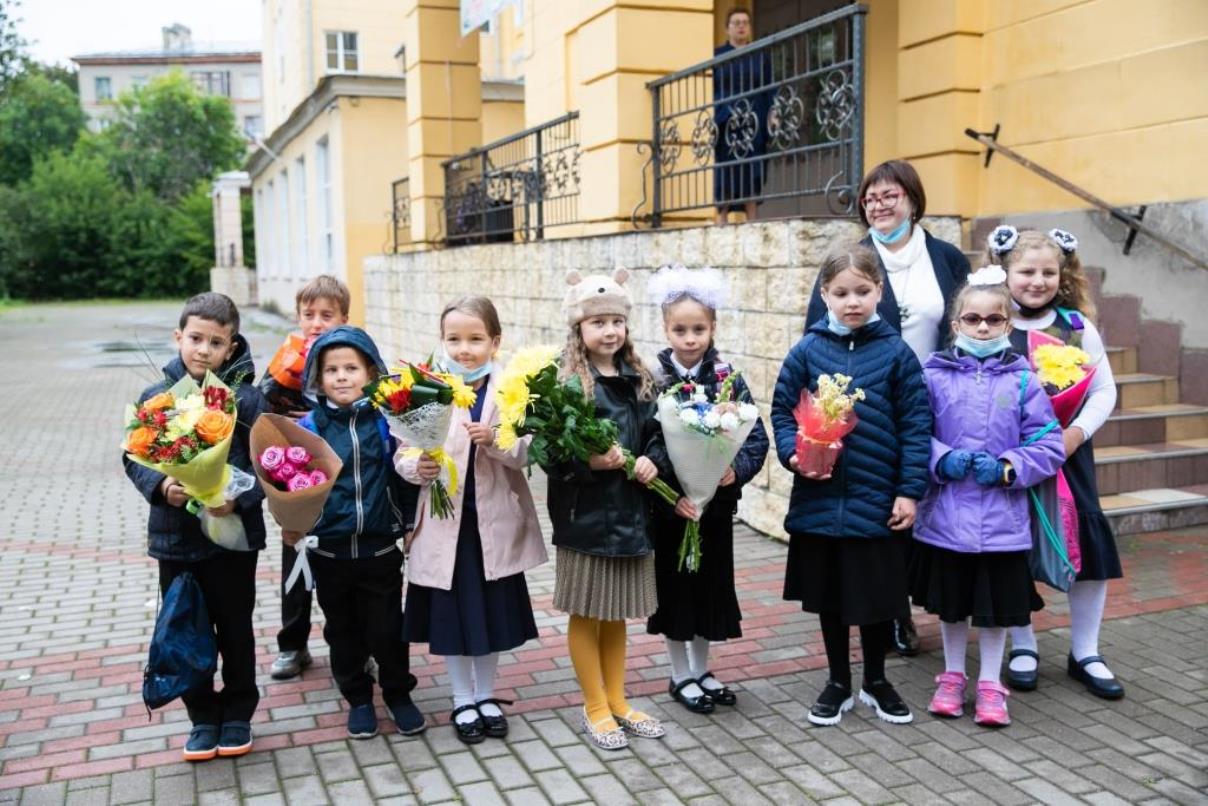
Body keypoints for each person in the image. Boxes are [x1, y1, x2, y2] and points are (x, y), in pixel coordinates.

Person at [804, 159, 971, 657]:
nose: (878, 204)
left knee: (935, 500)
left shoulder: (944, 257)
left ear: (913, 200)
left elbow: (967, 320)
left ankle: (942, 600)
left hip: (940, 398)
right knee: (888, 506)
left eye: (889, 195)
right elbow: (818, 333)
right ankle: (895, 611)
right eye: (870, 198)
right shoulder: (851, 258)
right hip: (872, 405)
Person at [771, 244, 931, 727]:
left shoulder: (897, 354)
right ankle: (838, 680)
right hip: (821, 498)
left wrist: (909, 491)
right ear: (825, 295)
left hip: (877, 500)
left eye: (862, 291)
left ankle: (877, 680)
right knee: (832, 596)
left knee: (878, 597)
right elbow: (782, 409)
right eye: (840, 293)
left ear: (879, 291)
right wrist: (794, 453)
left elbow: (916, 424)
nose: (852, 301)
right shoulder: (807, 350)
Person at [911, 268, 1065, 727]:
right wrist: (941, 460)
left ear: (1008, 324)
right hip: (947, 518)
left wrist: (1009, 466)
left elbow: (1048, 442)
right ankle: (953, 676)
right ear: (955, 324)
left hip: (1003, 523)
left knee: (995, 610)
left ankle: (991, 684)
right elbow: (914, 435)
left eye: (993, 320)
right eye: (973, 319)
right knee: (954, 604)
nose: (982, 328)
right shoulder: (932, 377)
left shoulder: (1023, 382)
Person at [123, 292, 268, 761]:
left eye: (216, 342)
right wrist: (163, 486)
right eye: (196, 338)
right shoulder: (157, 396)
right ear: (178, 337)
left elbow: (269, 463)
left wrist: (236, 498)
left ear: (231, 347)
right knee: (188, 626)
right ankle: (202, 717)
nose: (203, 350)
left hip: (232, 540)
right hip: (176, 540)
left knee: (235, 628)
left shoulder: (246, 399)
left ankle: (239, 711)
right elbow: (133, 455)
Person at [398, 296, 546, 744]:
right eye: (454, 339)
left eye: (475, 339)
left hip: (493, 525)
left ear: (495, 342)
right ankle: (462, 699)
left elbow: (526, 453)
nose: (464, 349)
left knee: (491, 619)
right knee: (453, 619)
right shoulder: (425, 387)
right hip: (447, 528)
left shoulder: (512, 389)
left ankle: (486, 695)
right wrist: (414, 468)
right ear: (442, 341)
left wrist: (497, 441)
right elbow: (403, 447)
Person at [991, 226, 1126, 699]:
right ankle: (1022, 643)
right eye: (1026, 271)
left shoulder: (1075, 326)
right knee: (1012, 547)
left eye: (1048, 271)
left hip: (1068, 456)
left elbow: (1104, 389)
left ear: (1062, 274)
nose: (1037, 280)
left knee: (1087, 550)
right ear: (1005, 272)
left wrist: (1073, 434)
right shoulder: (991, 323)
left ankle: (1085, 650)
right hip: (1011, 458)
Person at [546, 269, 670, 750]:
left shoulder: (642, 378)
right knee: (587, 612)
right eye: (598, 322)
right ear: (579, 328)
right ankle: (594, 706)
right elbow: (549, 453)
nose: (609, 330)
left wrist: (651, 462)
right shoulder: (565, 380)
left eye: (617, 320)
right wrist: (589, 460)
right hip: (586, 516)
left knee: (616, 613)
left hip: (632, 512)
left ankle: (618, 700)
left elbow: (659, 433)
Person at [281, 326, 424, 739]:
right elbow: (291, 485)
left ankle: (398, 694)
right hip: (330, 552)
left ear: (370, 372)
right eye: (331, 370)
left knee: (387, 630)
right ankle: (359, 699)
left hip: (380, 549)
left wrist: (410, 523)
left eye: (351, 368)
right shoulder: (308, 427)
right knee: (342, 632)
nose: (341, 377)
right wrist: (291, 523)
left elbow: (406, 479)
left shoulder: (388, 423)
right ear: (317, 377)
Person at [643, 265, 769, 714]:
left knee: (710, 589)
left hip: (713, 509)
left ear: (713, 327)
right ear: (666, 329)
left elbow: (754, 435)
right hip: (673, 509)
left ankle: (702, 668)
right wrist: (670, 487)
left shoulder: (728, 377)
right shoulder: (652, 378)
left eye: (699, 328)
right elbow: (648, 440)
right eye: (680, 329)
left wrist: (735, 470)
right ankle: (679, 674)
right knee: (677, 591)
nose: (690, 338)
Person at [262, 275, 351, 681]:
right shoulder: (285, 366)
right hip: (296, 485)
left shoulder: (351, 363)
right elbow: (265, 414)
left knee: (340, 574)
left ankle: (352, 646)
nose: (316, 322)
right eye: (309, 315)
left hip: (343, 489)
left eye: (326, 315)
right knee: (295, 570)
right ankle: (292, 645)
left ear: (344, 319)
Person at [713, 6, 772, 226]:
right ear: (727, 28)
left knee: (752, 168)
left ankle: (752, 220)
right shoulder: (717, 56)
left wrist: (772, 113)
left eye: (745, 23)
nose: (741, 26)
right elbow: (711, 87)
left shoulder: (759, 54)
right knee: (725, 169)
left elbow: (769, 86)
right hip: (725, 119)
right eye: (736, 23)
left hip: (753, 119)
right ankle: (721, 219)